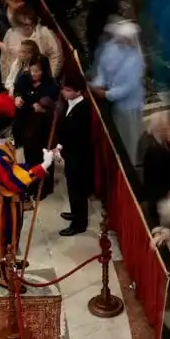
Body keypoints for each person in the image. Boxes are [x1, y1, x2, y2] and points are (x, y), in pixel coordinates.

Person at [0, 93, 55, 288]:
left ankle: (9, 261)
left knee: (14, 234)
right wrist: (41, 168)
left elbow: (14, 167)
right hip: (6, 200)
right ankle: (5, 274)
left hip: (11, 199)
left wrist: (38, 163)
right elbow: (13, 181)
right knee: (7, 236)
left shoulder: (1, 142)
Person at [91, 20, 146, 165]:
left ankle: (131, 164)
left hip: (128, 105)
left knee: (130, 137)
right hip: (111, 103)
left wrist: (108, 94)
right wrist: (99, 84)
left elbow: (129, 86)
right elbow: (102, 69)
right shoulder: (110, 48)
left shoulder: (136, 59)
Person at [58, 76, 94, 236]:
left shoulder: (83, 109)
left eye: (68, 90)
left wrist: (61, 147)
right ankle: (75, 212)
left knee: (78, 188)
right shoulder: (70, 104)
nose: (64, 93)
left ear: (78, 91)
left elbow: (74, 134)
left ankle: (79, 223)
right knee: (72, 187)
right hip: (71, 154)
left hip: (78, 156)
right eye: (64, 89)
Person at [12, 56, 58, 184]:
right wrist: (17, 97)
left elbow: (56, 108)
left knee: (43, 158)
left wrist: (44, 110)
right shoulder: (24, 79)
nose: (33, 74)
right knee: (29, 154)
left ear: (44, 70)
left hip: (43, 128)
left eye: (37, 71)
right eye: (31, 70)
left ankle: (44, 187)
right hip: (27, 125)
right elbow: (17, 91)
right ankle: (31, 182)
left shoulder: (51, 86)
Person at [1, 6, 62, 83]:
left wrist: (49, 78)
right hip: (16, 82)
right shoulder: (10, 34)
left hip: (41, 82)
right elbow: (4, 59)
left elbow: (56, 56)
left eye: (31, 24)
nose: (29, 27)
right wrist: (6, 81)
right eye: (24, 25)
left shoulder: (44, 32)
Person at [140, 113, 170, 228]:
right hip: (156, 193)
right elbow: (151, 176)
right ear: (158, 129)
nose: (168, 130)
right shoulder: (154, 150)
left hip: (160, 191)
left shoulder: (159, 142)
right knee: (154, 219)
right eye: (164, 128)